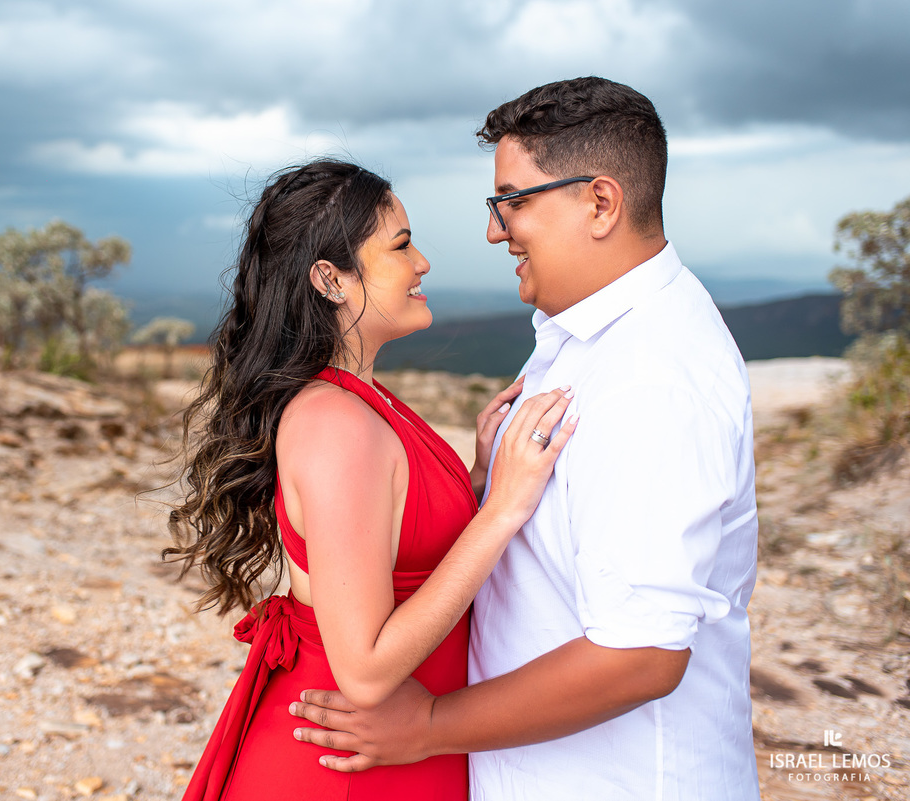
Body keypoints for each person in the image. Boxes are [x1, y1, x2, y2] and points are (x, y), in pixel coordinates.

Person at [290, 78, 762, 801]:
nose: (494, 230)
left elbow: (640, 655)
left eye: (513, 201)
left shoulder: (652, 378)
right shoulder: (585, 335)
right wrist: (482, 492)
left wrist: (431, 725)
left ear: (600, 203)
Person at [166, 159, 579, 800]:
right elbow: (364, 670)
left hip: (383, 749)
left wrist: (475, 479)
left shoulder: (360, 399)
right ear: (331, 279)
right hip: (346, 766)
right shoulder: (336, 422)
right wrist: (502, 509)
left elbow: (397, 539)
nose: (422, 263)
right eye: (401, 246)